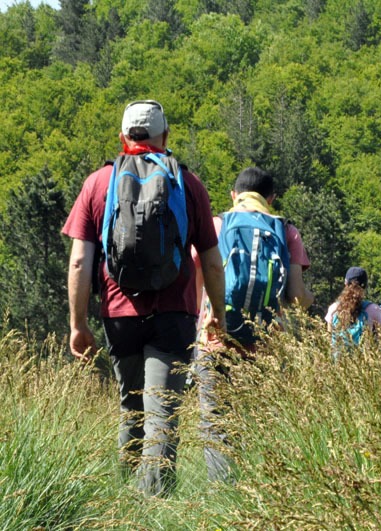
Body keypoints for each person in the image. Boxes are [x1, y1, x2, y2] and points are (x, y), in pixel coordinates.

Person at [63, 100, 226, 496]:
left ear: (122, 137)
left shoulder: (98, 183)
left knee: (132, 409)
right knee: (162, 413)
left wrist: (78, 323)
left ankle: (125, 501)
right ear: (164, 136)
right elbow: (211, 261)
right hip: (174, 315)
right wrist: (217, 314)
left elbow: (80, 261)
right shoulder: (188, 184)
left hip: (119, 314)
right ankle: (154, 506)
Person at [193, 166, 314, 483]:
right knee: (260, 423)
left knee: (216, 424)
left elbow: (195, 281)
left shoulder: (217, 224)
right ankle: (258, 491)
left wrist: (200, 321)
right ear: (271, 199)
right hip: (265, 346)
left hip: (215, 340)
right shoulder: (286, 231)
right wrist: (310, 300)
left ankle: (224, 495)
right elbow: (297, 298)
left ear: (234, 195)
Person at [325, 266, 381, 358]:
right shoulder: (374, 309)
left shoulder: (333, 309)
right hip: (363, 362)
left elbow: (329, 341)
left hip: (338, 363)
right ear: (365, 286)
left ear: (345, 283)